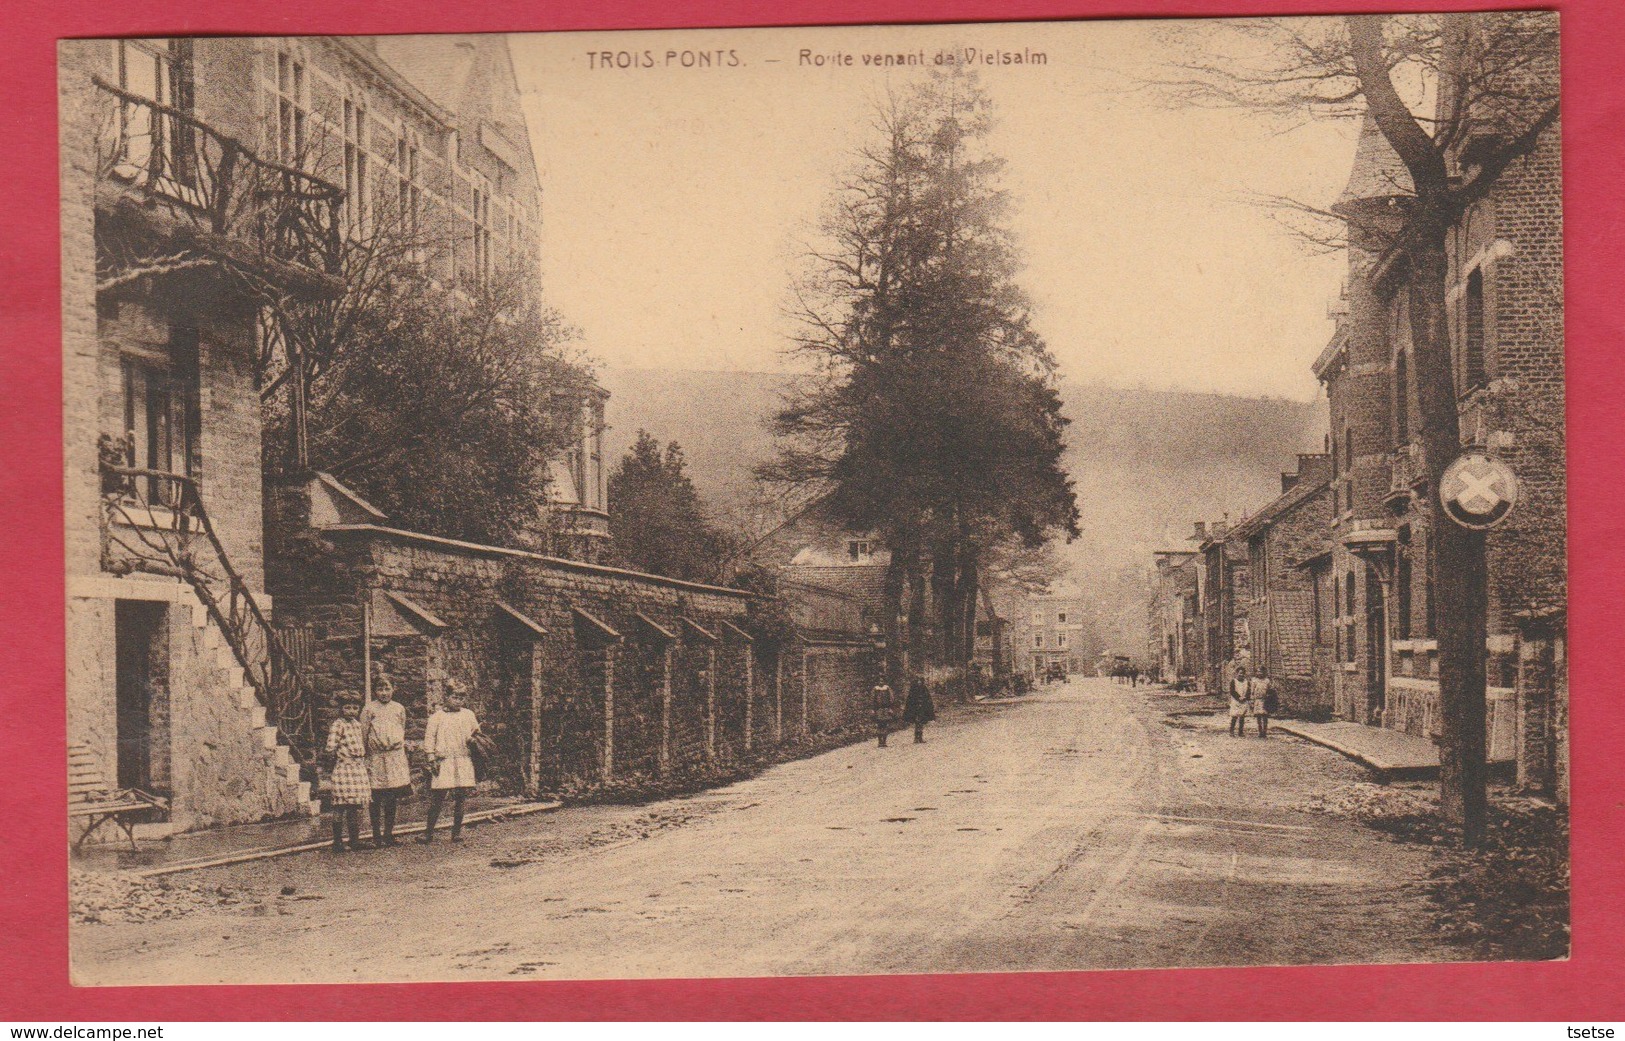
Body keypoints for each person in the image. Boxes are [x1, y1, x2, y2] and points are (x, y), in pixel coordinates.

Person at [420, 680, 480, 843]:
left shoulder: (468, 715)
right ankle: (428, 833)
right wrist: (431, 757)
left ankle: (456, 832)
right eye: (455, 697)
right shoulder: (437, 717)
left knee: (460, 797)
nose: (458, 701)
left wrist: (474, 741)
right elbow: (429, 739)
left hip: (462, 759)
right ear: (446, 696)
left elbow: (477, 734)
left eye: (461, 697)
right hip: (444, 761)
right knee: (438, 797)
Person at [361, 672, 411, 847]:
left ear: (393, 689)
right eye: (380, 689)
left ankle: (388, 834)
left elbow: (401, 728)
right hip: (376, 757)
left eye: (387, 688)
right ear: (375, 691)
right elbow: (364, 733)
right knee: (376, 795)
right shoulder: (369, 709)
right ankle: (376, 835)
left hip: (394, 757)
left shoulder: (399, 708)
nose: (384, 693)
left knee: (391, 797)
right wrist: (366, 755)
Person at [324, 694, 371, 852]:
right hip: (344, 767)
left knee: (354, 806)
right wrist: (337, 760)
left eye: (355, 708)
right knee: (340, 805)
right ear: (341, 709)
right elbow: (330, 748)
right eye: (347, 708)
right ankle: (337, 841)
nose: (351, 711)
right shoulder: (338, 725)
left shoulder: (357, 725)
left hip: (357, 768)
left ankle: (354, 840)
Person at [901, 675, 936, 744]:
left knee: (921, 722)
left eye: (920, 681)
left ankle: (920, 737)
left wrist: (928, 707)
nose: (919, 682)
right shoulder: (913, 689)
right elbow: (910, 699)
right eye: (918, 681)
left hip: (922, 708)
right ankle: (916, 738)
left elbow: (928, 698)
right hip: (915, 708)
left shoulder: (924, 688)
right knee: (917, 722)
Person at [1251, 670, 1277, 738]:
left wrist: (1269, 696)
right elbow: (1252, 691)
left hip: (1265, 700)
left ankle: (1264, 731)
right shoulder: (1254, 680)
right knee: (1258, 716)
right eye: (1258, 672)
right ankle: (1260, 731)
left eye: (1261, 672)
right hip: (1257, 700)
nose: (1260, 673)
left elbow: (1271, 690)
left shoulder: (1267, 681)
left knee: (1265, 716)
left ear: (1264, 673)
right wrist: (1252, 700)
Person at [1227, 664, 1251, 738]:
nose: (1241, 675)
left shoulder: (1246, 682)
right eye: (1240, 673)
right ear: (1236, 674)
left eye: (1243, 673)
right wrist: (1238, 697)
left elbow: (1249, 691)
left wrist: (1245, 697)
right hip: (1236, 701)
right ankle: (1231, 731)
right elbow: (1232, 691)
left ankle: (1240, 732)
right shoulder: (1233, 681)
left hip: (1243, 700)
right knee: (1234, 716)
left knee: (1242, 716)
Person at [871, 681, 895, 748]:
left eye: (882, 681)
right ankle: (879, 742)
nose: (881, 682)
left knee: (885, 725)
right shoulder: (875, 689)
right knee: (879, 725)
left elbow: (891, 699)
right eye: (879, 681)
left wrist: (890, 708)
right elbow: (872, 699)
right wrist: (873, 709)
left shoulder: (887, 689)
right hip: (878, 709)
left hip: (886, 709)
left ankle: (884, 742)